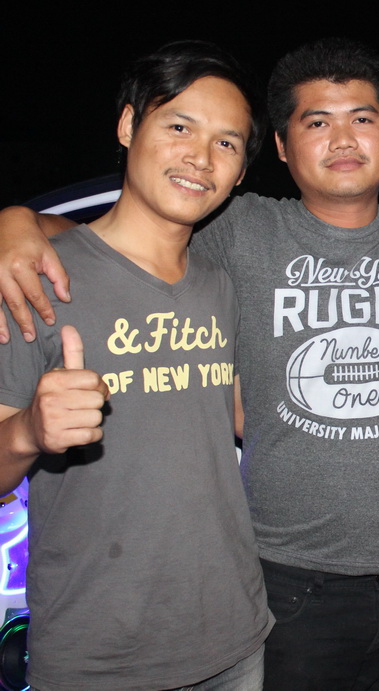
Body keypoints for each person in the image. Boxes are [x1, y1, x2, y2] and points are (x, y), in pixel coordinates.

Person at [0, 39, 379, 689]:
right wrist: (15, 223)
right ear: (278, 146)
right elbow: (123, 236)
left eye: (363, 118)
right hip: (285, 577)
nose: (343, 138)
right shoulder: (238, 228)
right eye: (317, 121)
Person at [0, 41, 272, 689]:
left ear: (241, 171)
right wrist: (29, 432)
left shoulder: (221, 284)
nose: (201, 157)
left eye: (227, 143)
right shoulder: (38, 278)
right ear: (128, 125)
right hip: (97, 655)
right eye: (179, 126)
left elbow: (244, 419)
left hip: (234, 638)